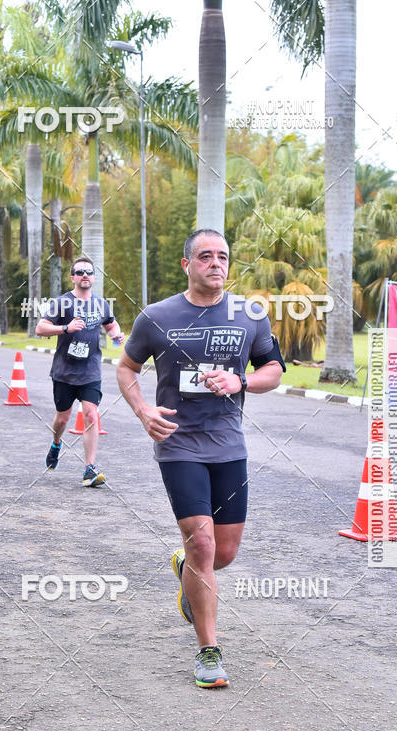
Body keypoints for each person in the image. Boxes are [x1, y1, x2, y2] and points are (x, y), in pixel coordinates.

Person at [116, 229, 285, 688]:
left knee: (223, 553)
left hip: (228, 445)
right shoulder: (157, 317)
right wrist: (143, 410)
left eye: (223, 257)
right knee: (204, 546)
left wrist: (242, 383)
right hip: (179, 443)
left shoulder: (250, 315)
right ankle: (208, 652)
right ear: (187, 263)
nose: (216, 263)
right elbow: (127, 367)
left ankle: (185, 566)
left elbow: (272, 368)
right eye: (205, 256)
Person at [35, 256, 124, 486]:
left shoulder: (101, 304)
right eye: (80, 272)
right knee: (62, 419)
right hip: (65, 372)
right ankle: (56, 443)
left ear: (93, 278)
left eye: (89, 272)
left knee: (91, 415)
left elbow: (111, 323)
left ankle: (89, 469)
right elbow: (40, 328)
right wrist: (66, 328)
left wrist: (116, 334)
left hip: (90, 371)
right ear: (73, 277)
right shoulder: (62, 303)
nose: (85, 275)